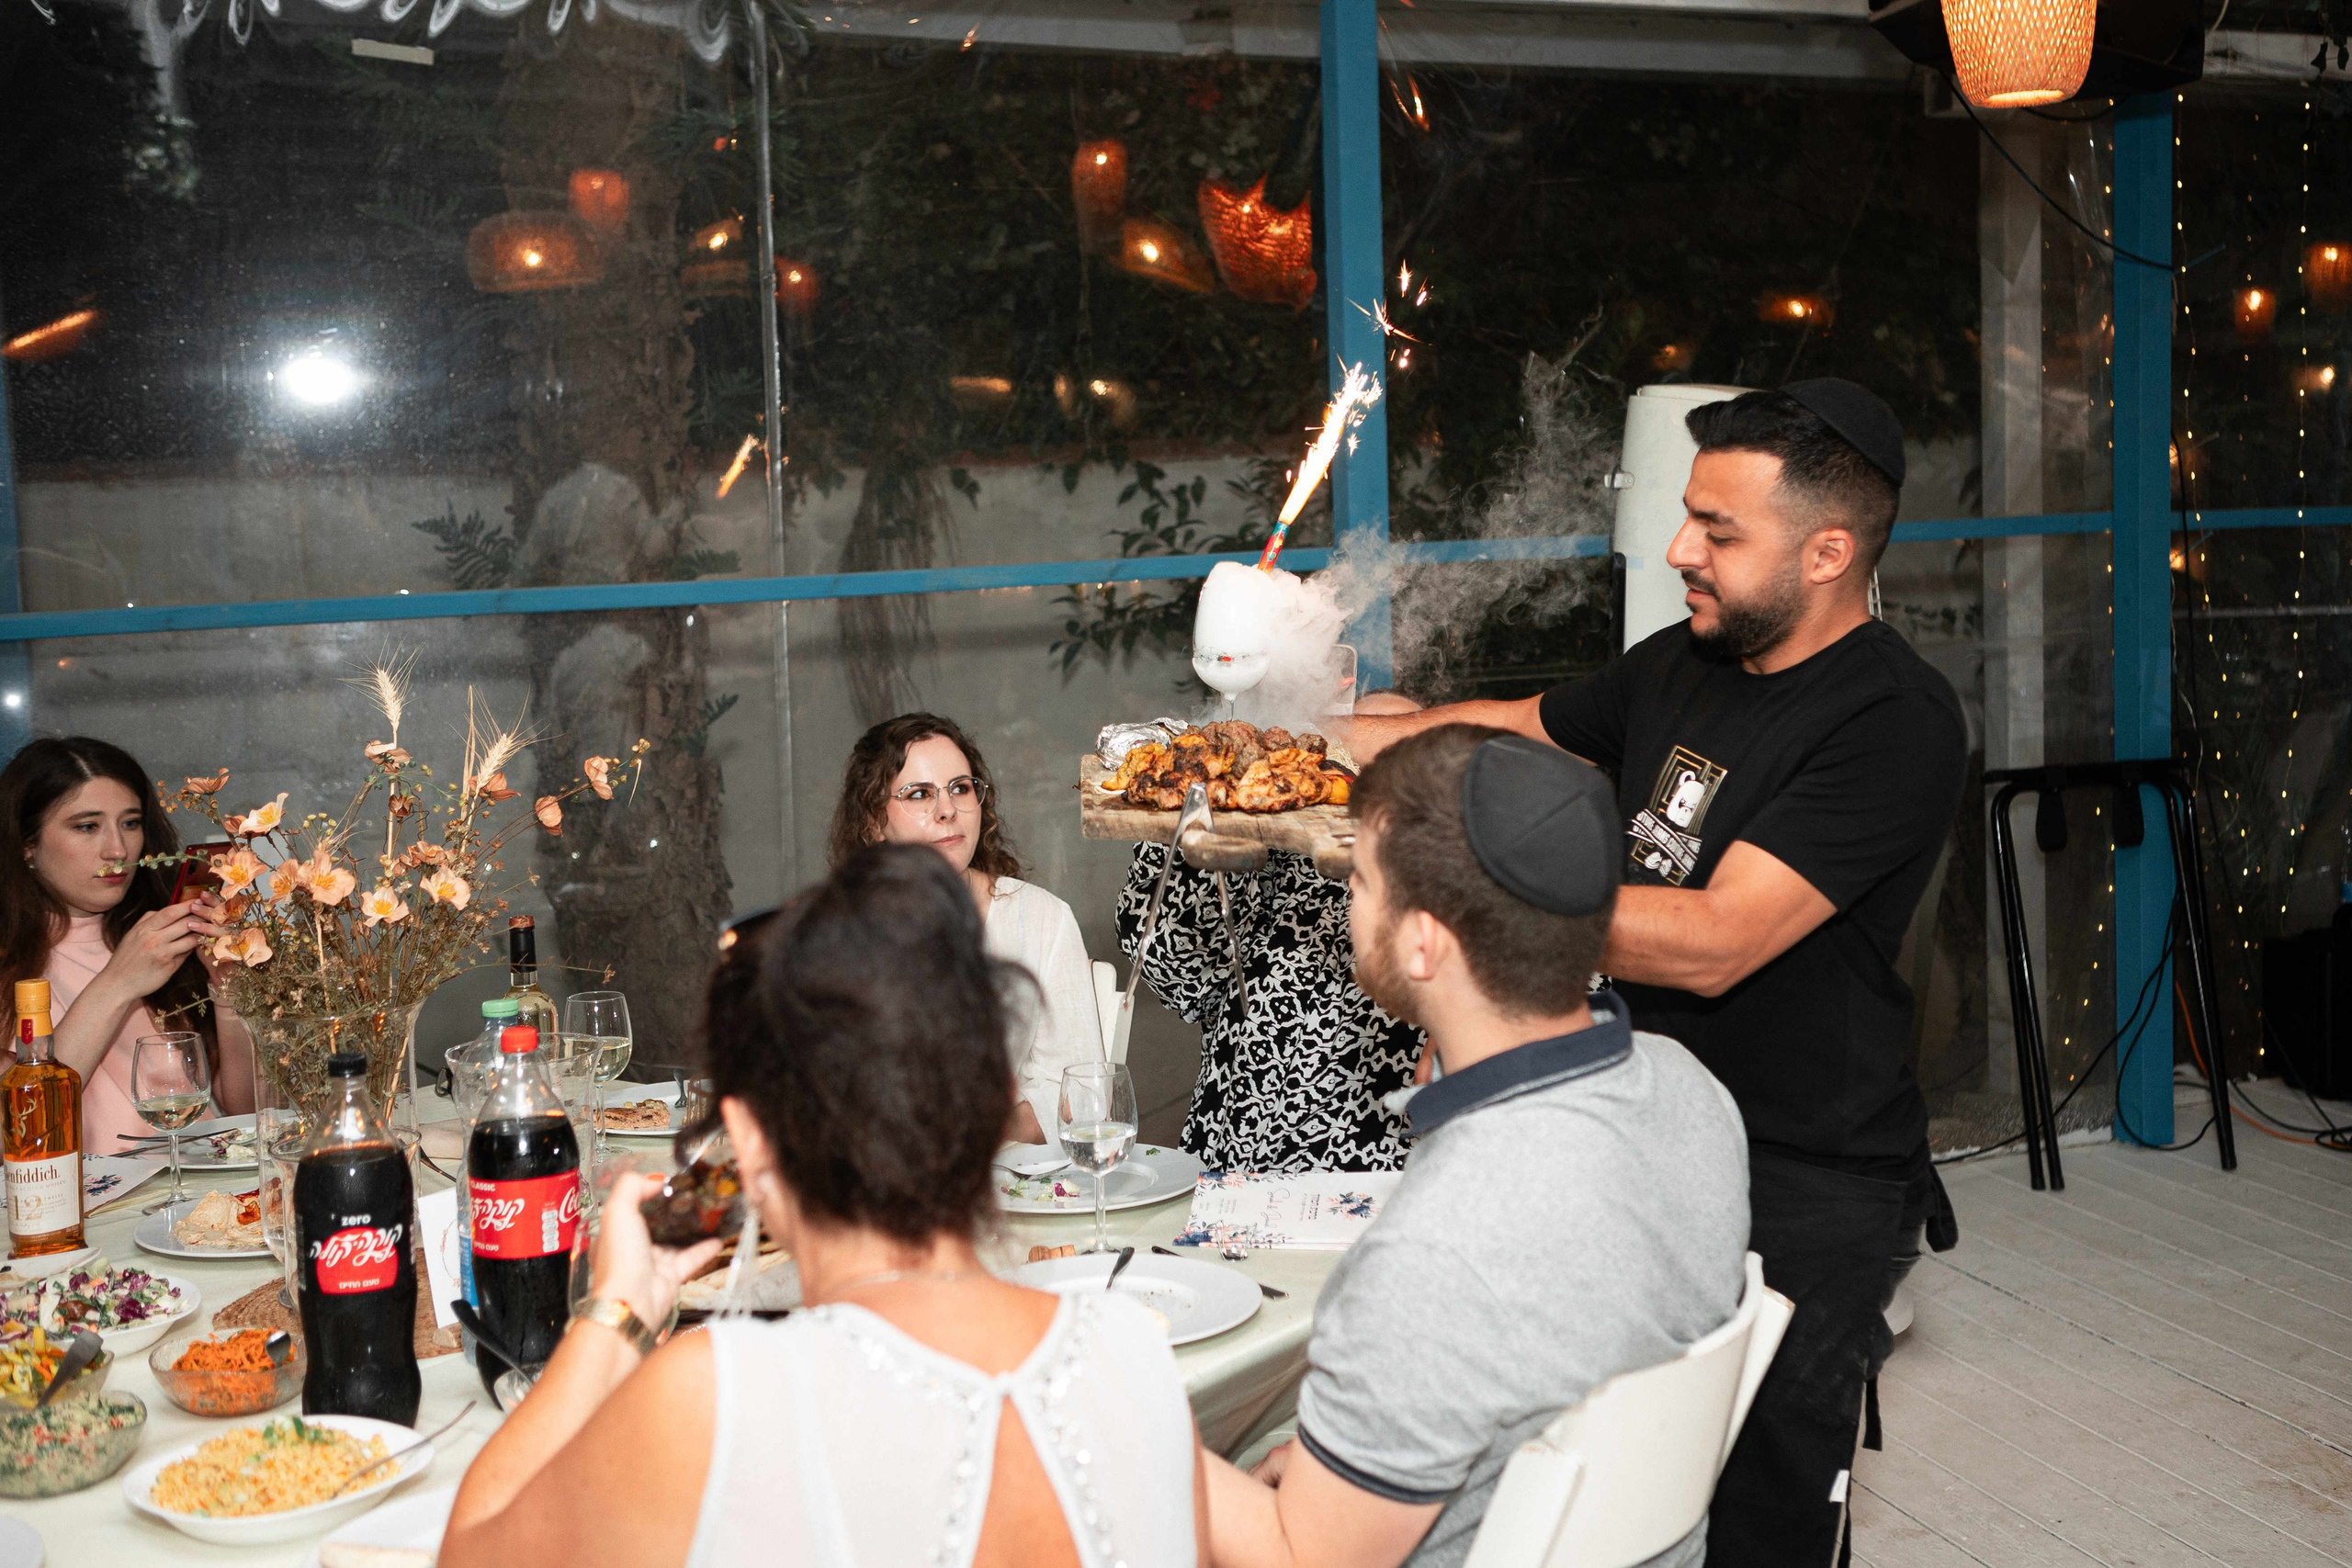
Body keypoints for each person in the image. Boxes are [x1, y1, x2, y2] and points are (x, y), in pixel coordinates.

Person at [1349, 379, 1966, 1566]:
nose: (1680, 549)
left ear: (1829, 550)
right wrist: (1302, 741)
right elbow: (1500, 729)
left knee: (1758, 1523)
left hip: (1805, 1171)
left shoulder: (1896, 718)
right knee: (1611, 1476)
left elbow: (1719, 933)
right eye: (1687, 515)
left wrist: (1482, 896)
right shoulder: (1682, 661)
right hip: (1644, 1130)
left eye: (1719, 531)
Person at [444, 843, 1206, 1568]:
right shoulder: (1131, 1356)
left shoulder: (716, 1396)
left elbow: (470, 1555)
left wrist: (617, 1310)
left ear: (747, 1142)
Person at [1205, 725, 1750, 1568]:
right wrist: (1351, 1472)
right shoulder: (1694, 1090)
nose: (1347, 898)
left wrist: (1114, 1403)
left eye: (1358, 880)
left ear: (1423, 941)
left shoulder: (1433, 1249)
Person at [1114, 693, 1428, 1172]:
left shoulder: (1453, 889)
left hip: (1385, 1171)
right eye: (1355, 759)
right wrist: (1200, 826)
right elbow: (1177, 978)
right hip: (1240, 1165)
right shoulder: (1273, 845)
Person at [829, 714, 1100, 1147]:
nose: (947, 810)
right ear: (873, 823)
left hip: (1008, 1185)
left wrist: (970, 1143)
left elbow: (1082, 1093)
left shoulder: (1040, 918)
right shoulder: (836, 931)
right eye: (919, 794)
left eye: (960, 787)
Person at [0, 737, 255, 1153]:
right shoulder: (12, 965)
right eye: (87, 826)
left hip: (203, 1200)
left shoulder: (162, 937)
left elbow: (248, 1114)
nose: (118, 850)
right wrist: (118, 982)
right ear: (28, 844)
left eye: (131, 823)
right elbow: (19, 1133)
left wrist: (230, 993)